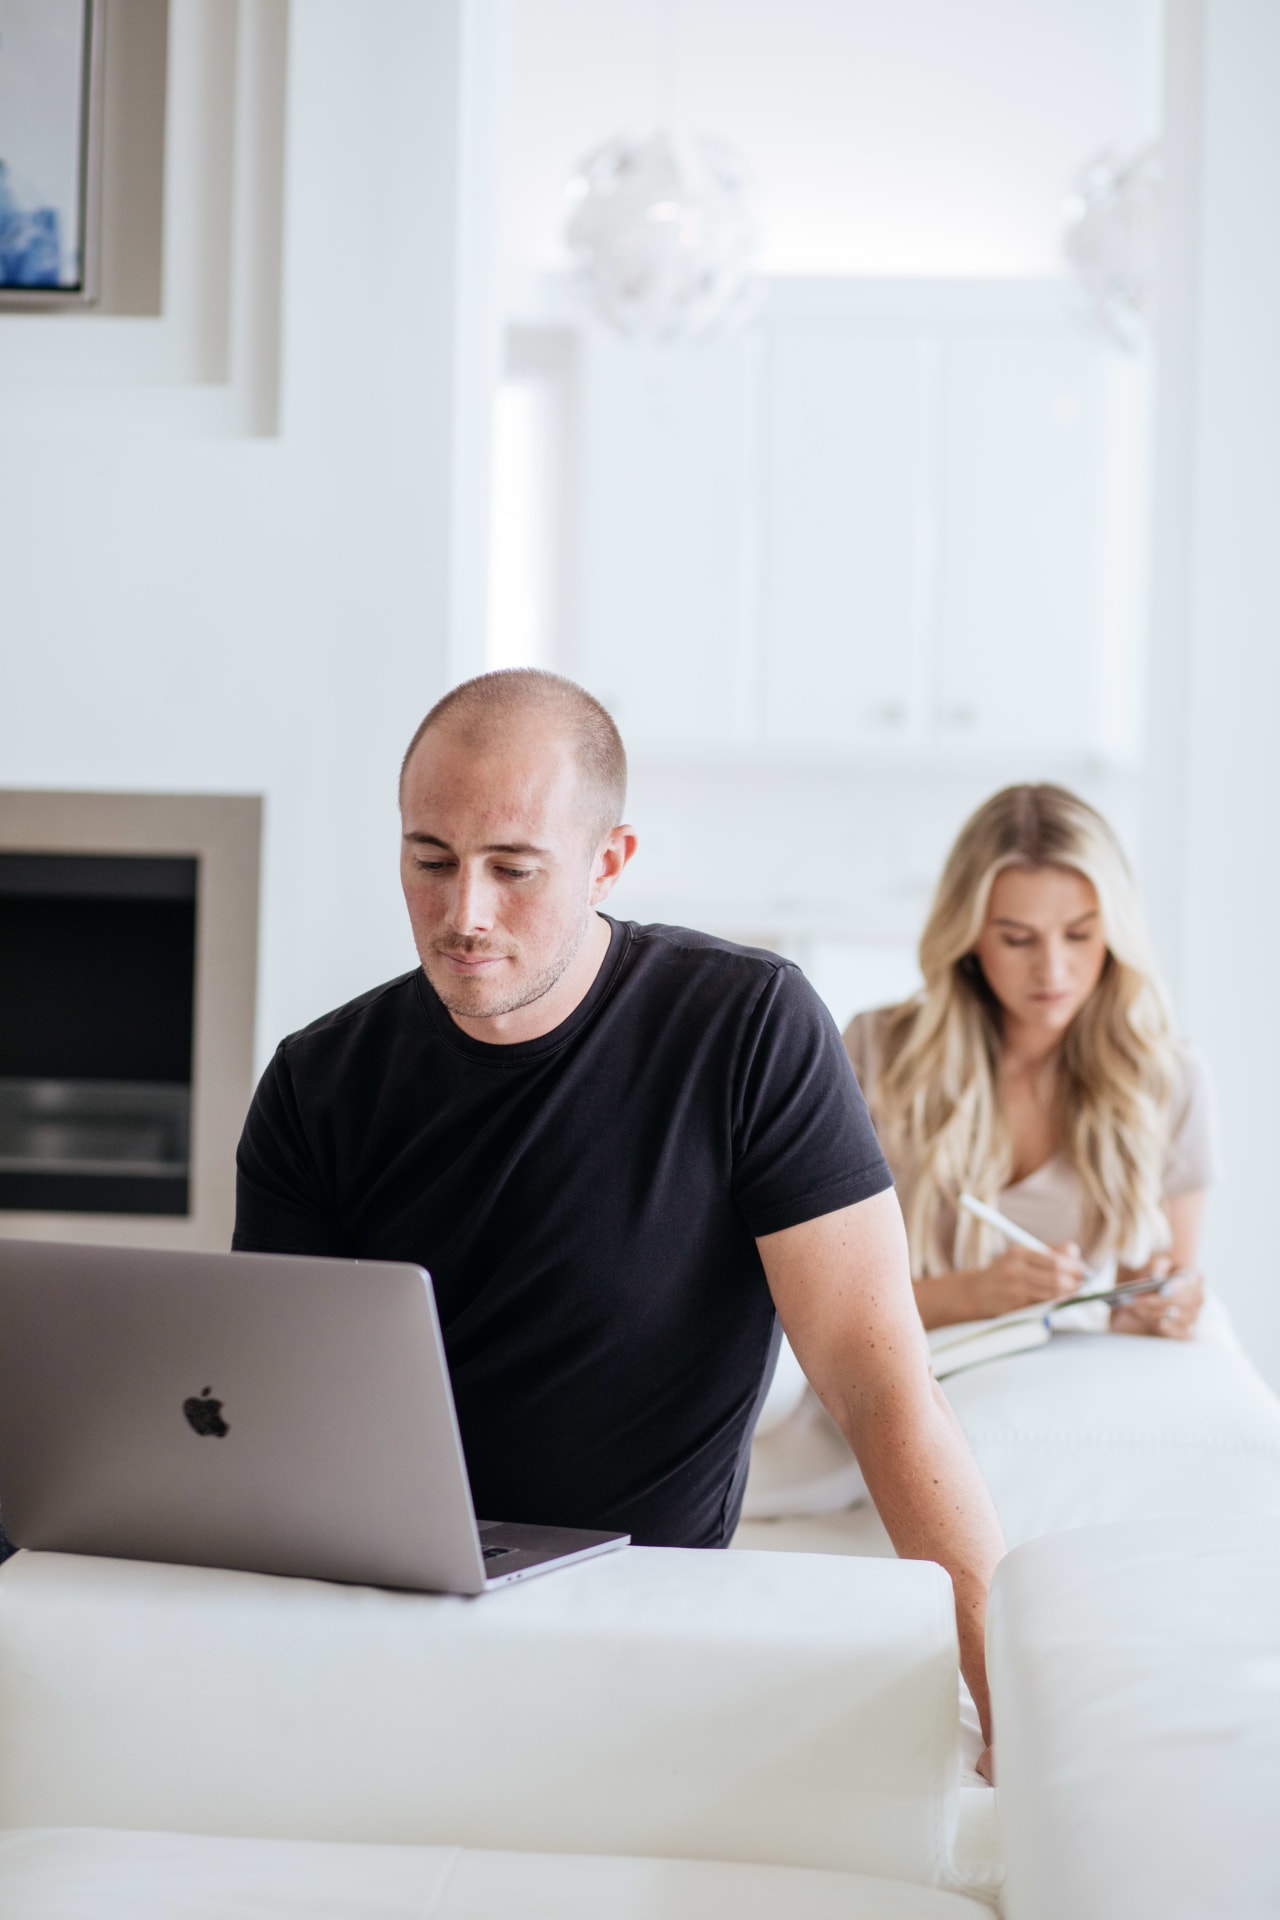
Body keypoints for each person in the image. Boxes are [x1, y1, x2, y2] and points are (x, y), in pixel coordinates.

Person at [234, 668, 1004, 1751]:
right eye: (430, 861)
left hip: (637, 1621)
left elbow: (877, 1382)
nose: (465, 914)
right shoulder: (319, 1082)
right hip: (384, 1611)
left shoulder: (744, 1029)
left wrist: (1002, 1685)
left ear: (609, 862)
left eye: (514, 869)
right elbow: (265, 1411)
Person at [842, 784, 1217, 1335]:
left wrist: (1166, 1304)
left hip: (1056, 1394)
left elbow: (1144, 1298)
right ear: (969, 936)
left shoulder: (1165, 1077)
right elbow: (832, 1307)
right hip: (907, 1380)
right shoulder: (877, 1054)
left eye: (1080, 935)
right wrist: (974, 1294)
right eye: (1018, 939)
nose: (1054, 970)